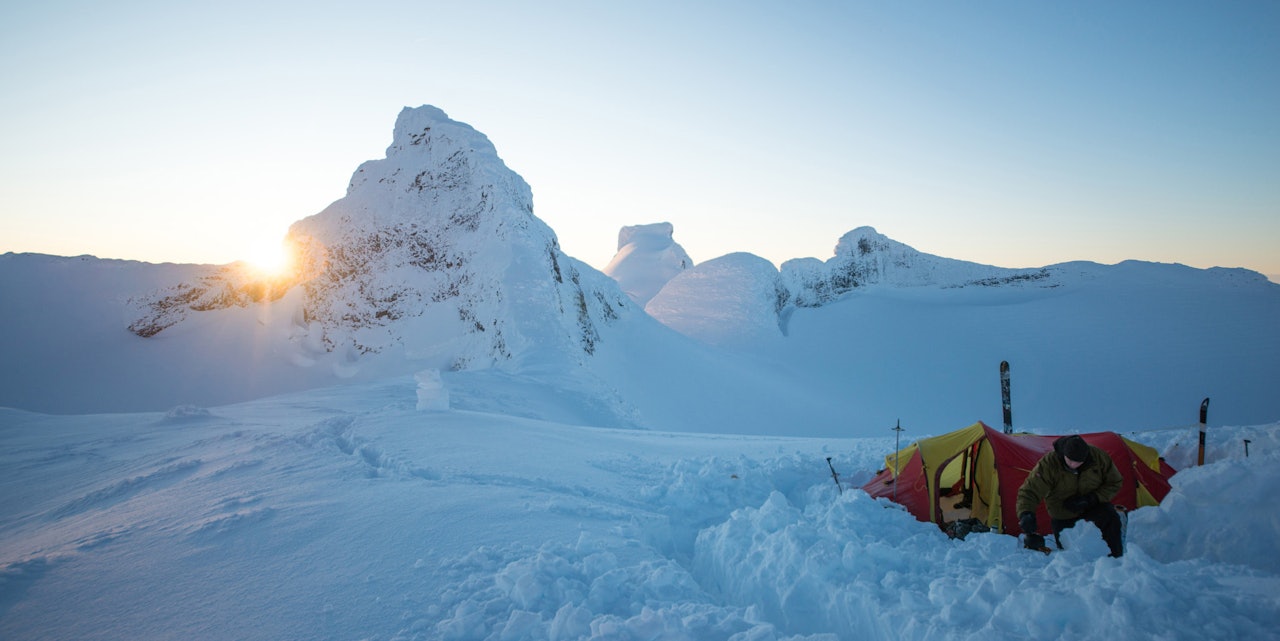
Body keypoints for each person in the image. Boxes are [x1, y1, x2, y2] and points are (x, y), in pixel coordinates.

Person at [1016, 434, 1125, 557]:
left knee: (1111, 519)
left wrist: (1092, 498)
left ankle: (1116, 561)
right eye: (1070, 460)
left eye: (1078, 462)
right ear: (1063, 454)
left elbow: (1115, 482)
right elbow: (1030, 490)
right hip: (1063, 513)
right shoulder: (1050, 463)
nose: (1073, 465)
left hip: (1094, 506)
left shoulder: (1098, 457)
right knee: (1071, 556)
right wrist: (1026, 514)